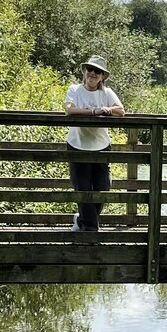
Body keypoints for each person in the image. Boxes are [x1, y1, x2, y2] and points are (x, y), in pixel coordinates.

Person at [64, 55, 124, 232]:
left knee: (103, 188)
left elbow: (121, 111)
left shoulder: (106, 93)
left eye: (97, 71)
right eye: (90, 69)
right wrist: (94, 111)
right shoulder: (75, 89)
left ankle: (82, 220)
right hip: (78, 144)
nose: (92, 73)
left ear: (102, 76)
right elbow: (69, 110)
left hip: (101, 146)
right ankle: (90, 233)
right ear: (85, 71)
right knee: (82, 188)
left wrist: (107, 109)